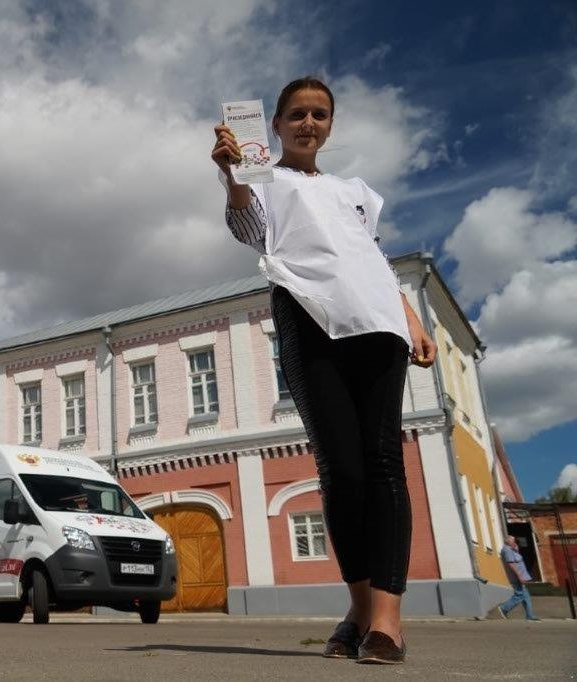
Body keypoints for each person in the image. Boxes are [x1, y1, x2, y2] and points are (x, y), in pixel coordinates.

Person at [212, 76, 437, 665]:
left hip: (379, 323)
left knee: (385, 462)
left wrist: (410, 316)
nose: (309, 123)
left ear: (329, 125)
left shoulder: (355, 190)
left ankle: (387, 619)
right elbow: (252, 234)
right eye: (296, 115)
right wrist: (232, 175)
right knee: (341, 469)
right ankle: (360, 607)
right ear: (276, 125)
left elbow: (372, 255)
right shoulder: (264, 179)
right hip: (308, 319)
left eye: (319, 115)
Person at [497, 535, 540, 621]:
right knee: (520, 595)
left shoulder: (511, 550)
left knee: (526, 596)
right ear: (508, 541)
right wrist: (520, 576)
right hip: (516, 577)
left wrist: (516, 550)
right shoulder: (507, 550)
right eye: (513, 540)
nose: (515, 542)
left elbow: (516, 560)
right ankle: (504, 608)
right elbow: (511, 564)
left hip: (519, 576)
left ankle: (530, 615)